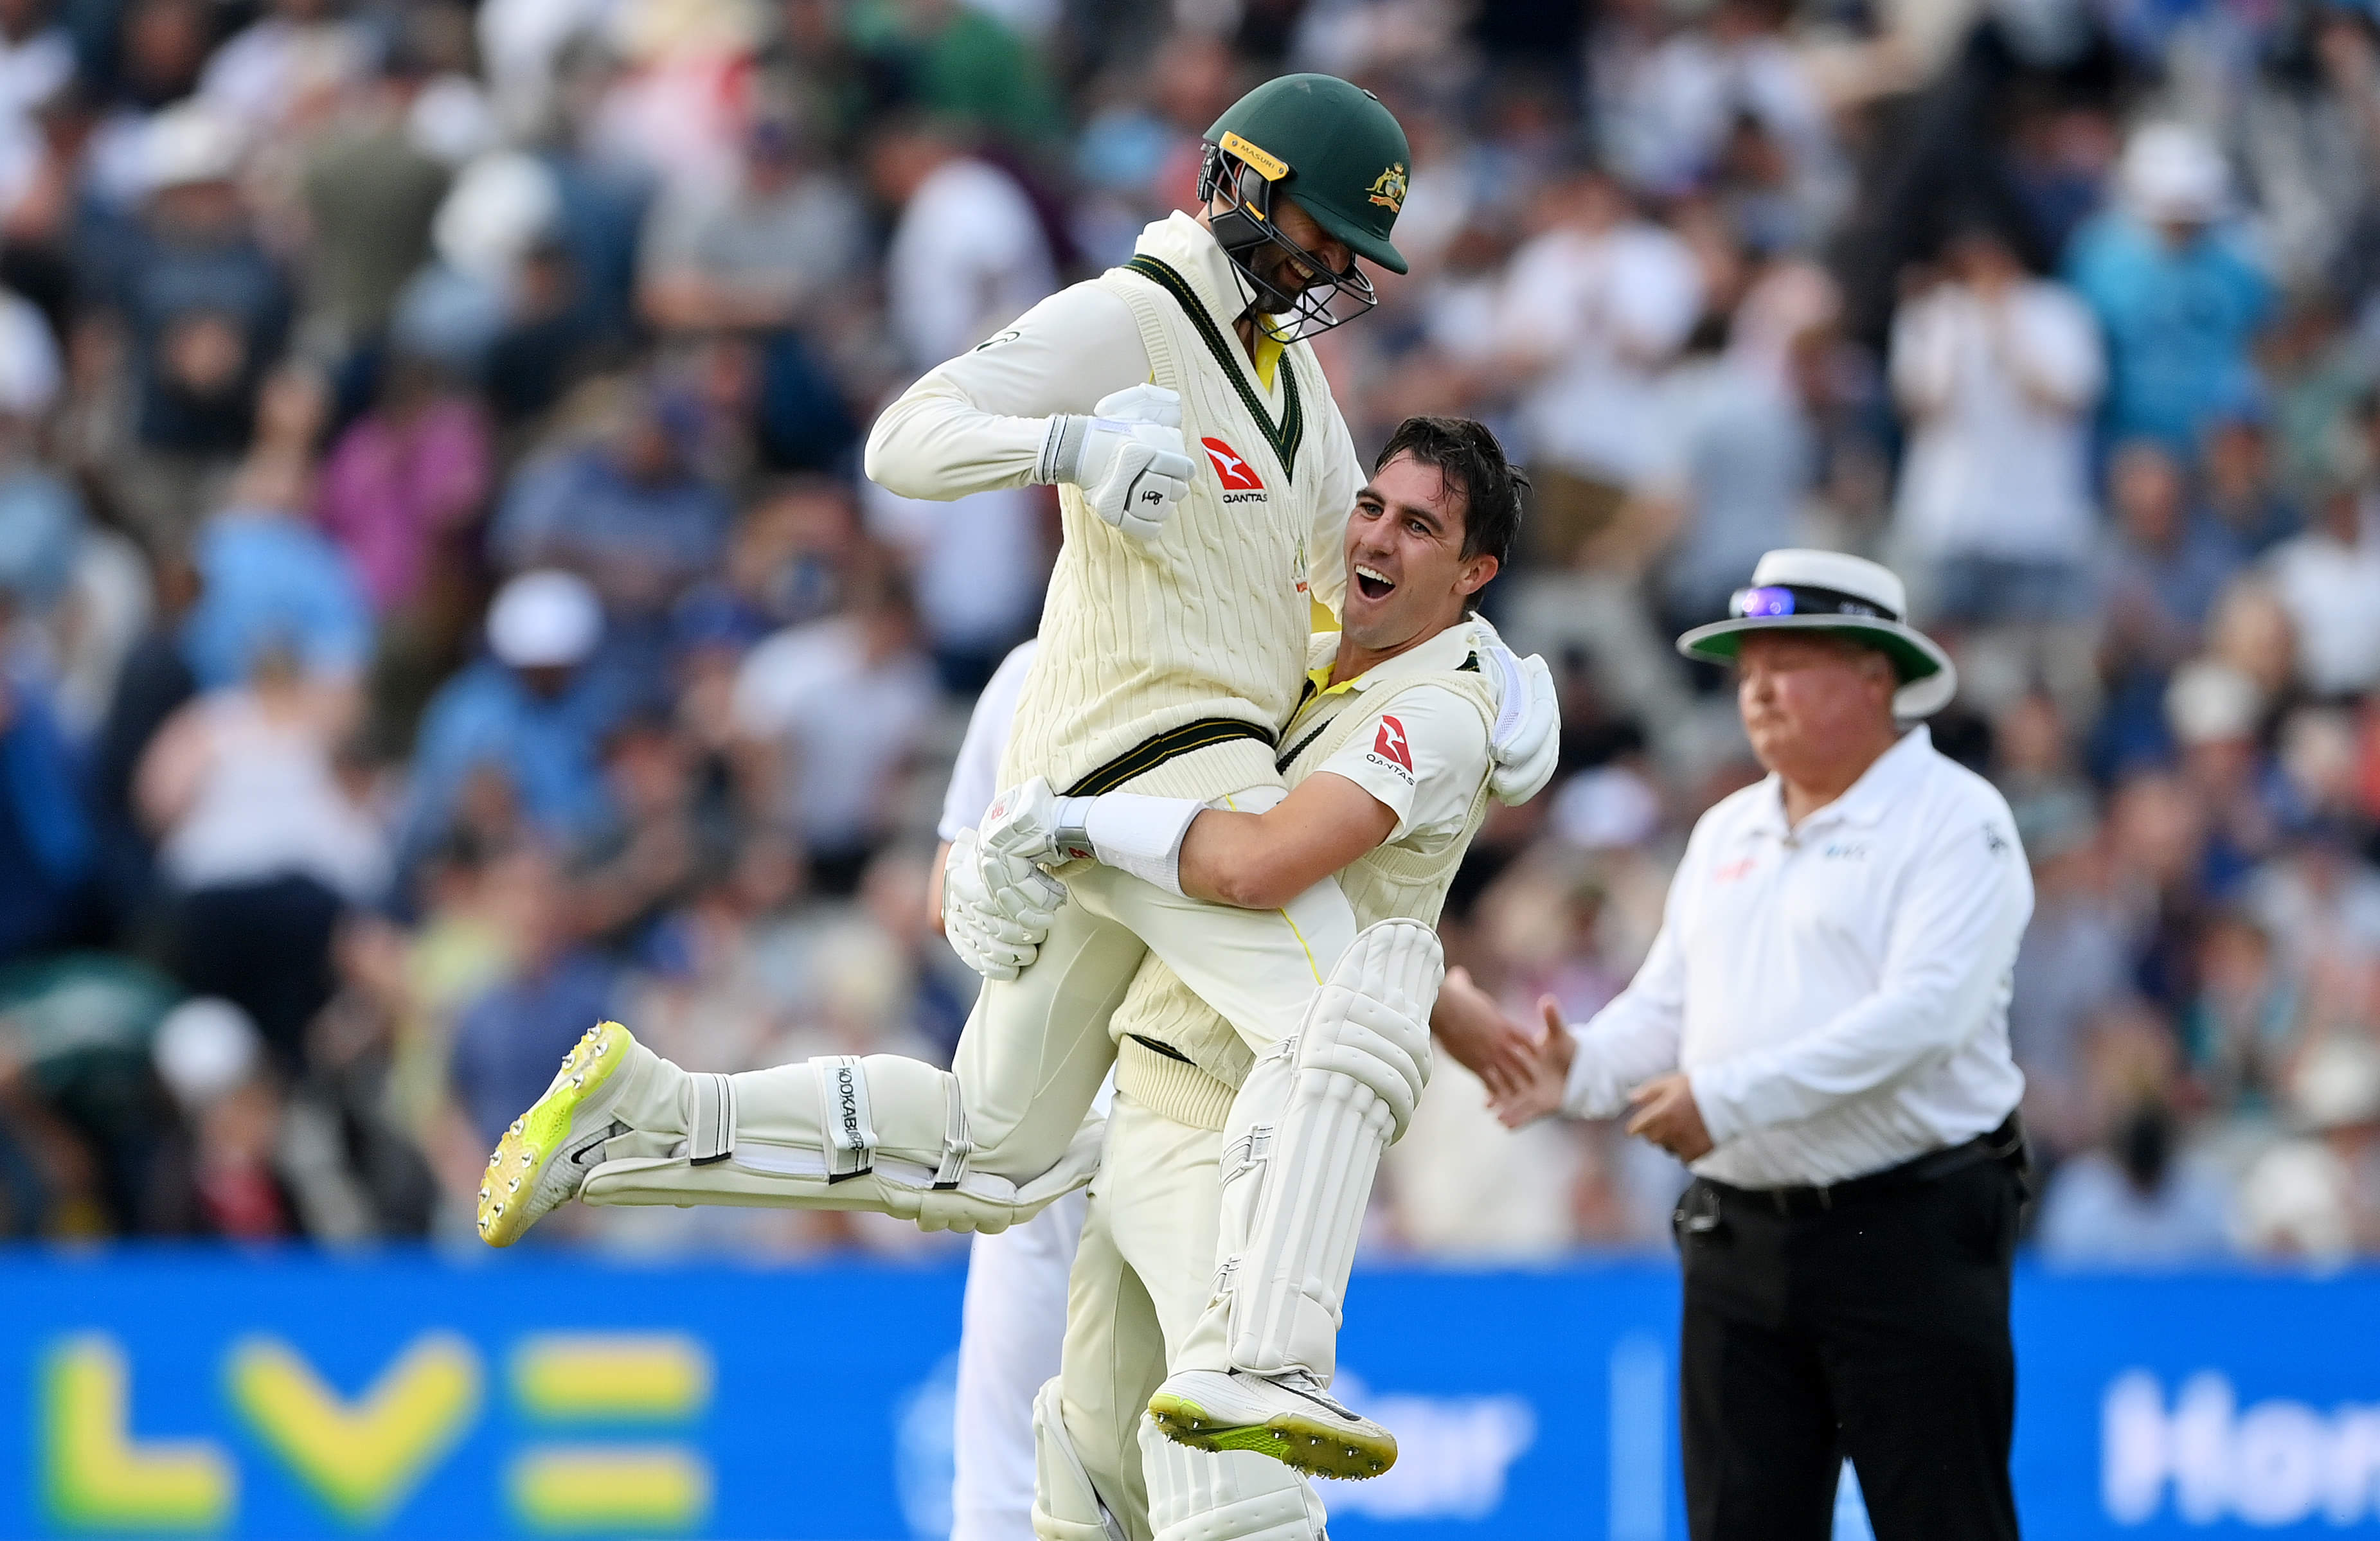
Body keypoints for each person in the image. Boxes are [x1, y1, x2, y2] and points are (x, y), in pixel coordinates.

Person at [473, 77, 1555, 1486]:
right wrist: (1068, 449)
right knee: (1354, 1014)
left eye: (1352, 252)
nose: (1332, 272)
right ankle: (1263, 1359)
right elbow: (903, 439)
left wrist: (1489, 666)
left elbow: (1337, 603)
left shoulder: (1294, 387)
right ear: (1241, 184)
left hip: (1164, 792)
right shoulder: (1130, 315)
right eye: (1321, 234)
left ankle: (653, 1116)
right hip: (1159, 767)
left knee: (993, 1149)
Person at [1474, 548, 2033, 1541]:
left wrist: (1725, 1099)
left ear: (1877, 675)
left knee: (1944, 1521)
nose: (1759, 689)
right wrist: (1582, 1069)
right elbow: (1668, 1007)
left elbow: (1926, 1017)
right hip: (1740, 1241)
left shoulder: (1959, 819)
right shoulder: (1728, 828)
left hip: (1906, 1229)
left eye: (1791, 661)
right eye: (1749, 667)